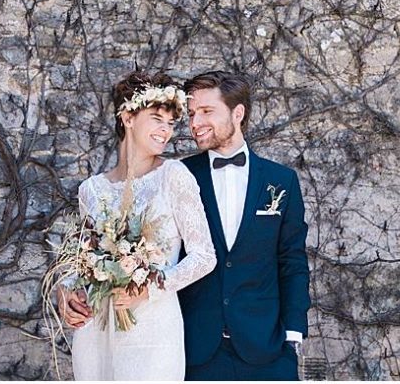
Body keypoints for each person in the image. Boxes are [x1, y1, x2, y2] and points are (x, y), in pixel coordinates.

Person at [57, 71, 216, 380]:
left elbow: (204, 256)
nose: (165, 131)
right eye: (157, 118)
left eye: (171, 123)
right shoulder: (91, 190)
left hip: (153, 331)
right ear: (128, 116)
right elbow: (81, 261)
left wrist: (148, 290)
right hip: (97, 330)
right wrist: (65, 293)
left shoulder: (174, 176)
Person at [179, 71, 311, 380]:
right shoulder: (179, 176)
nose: (195, 123)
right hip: (196, 351)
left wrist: (292, 332)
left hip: (267, 348)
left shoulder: (281, 181)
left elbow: (291, 260)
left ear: (238, 113)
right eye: (191, 114)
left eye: (206, 111)